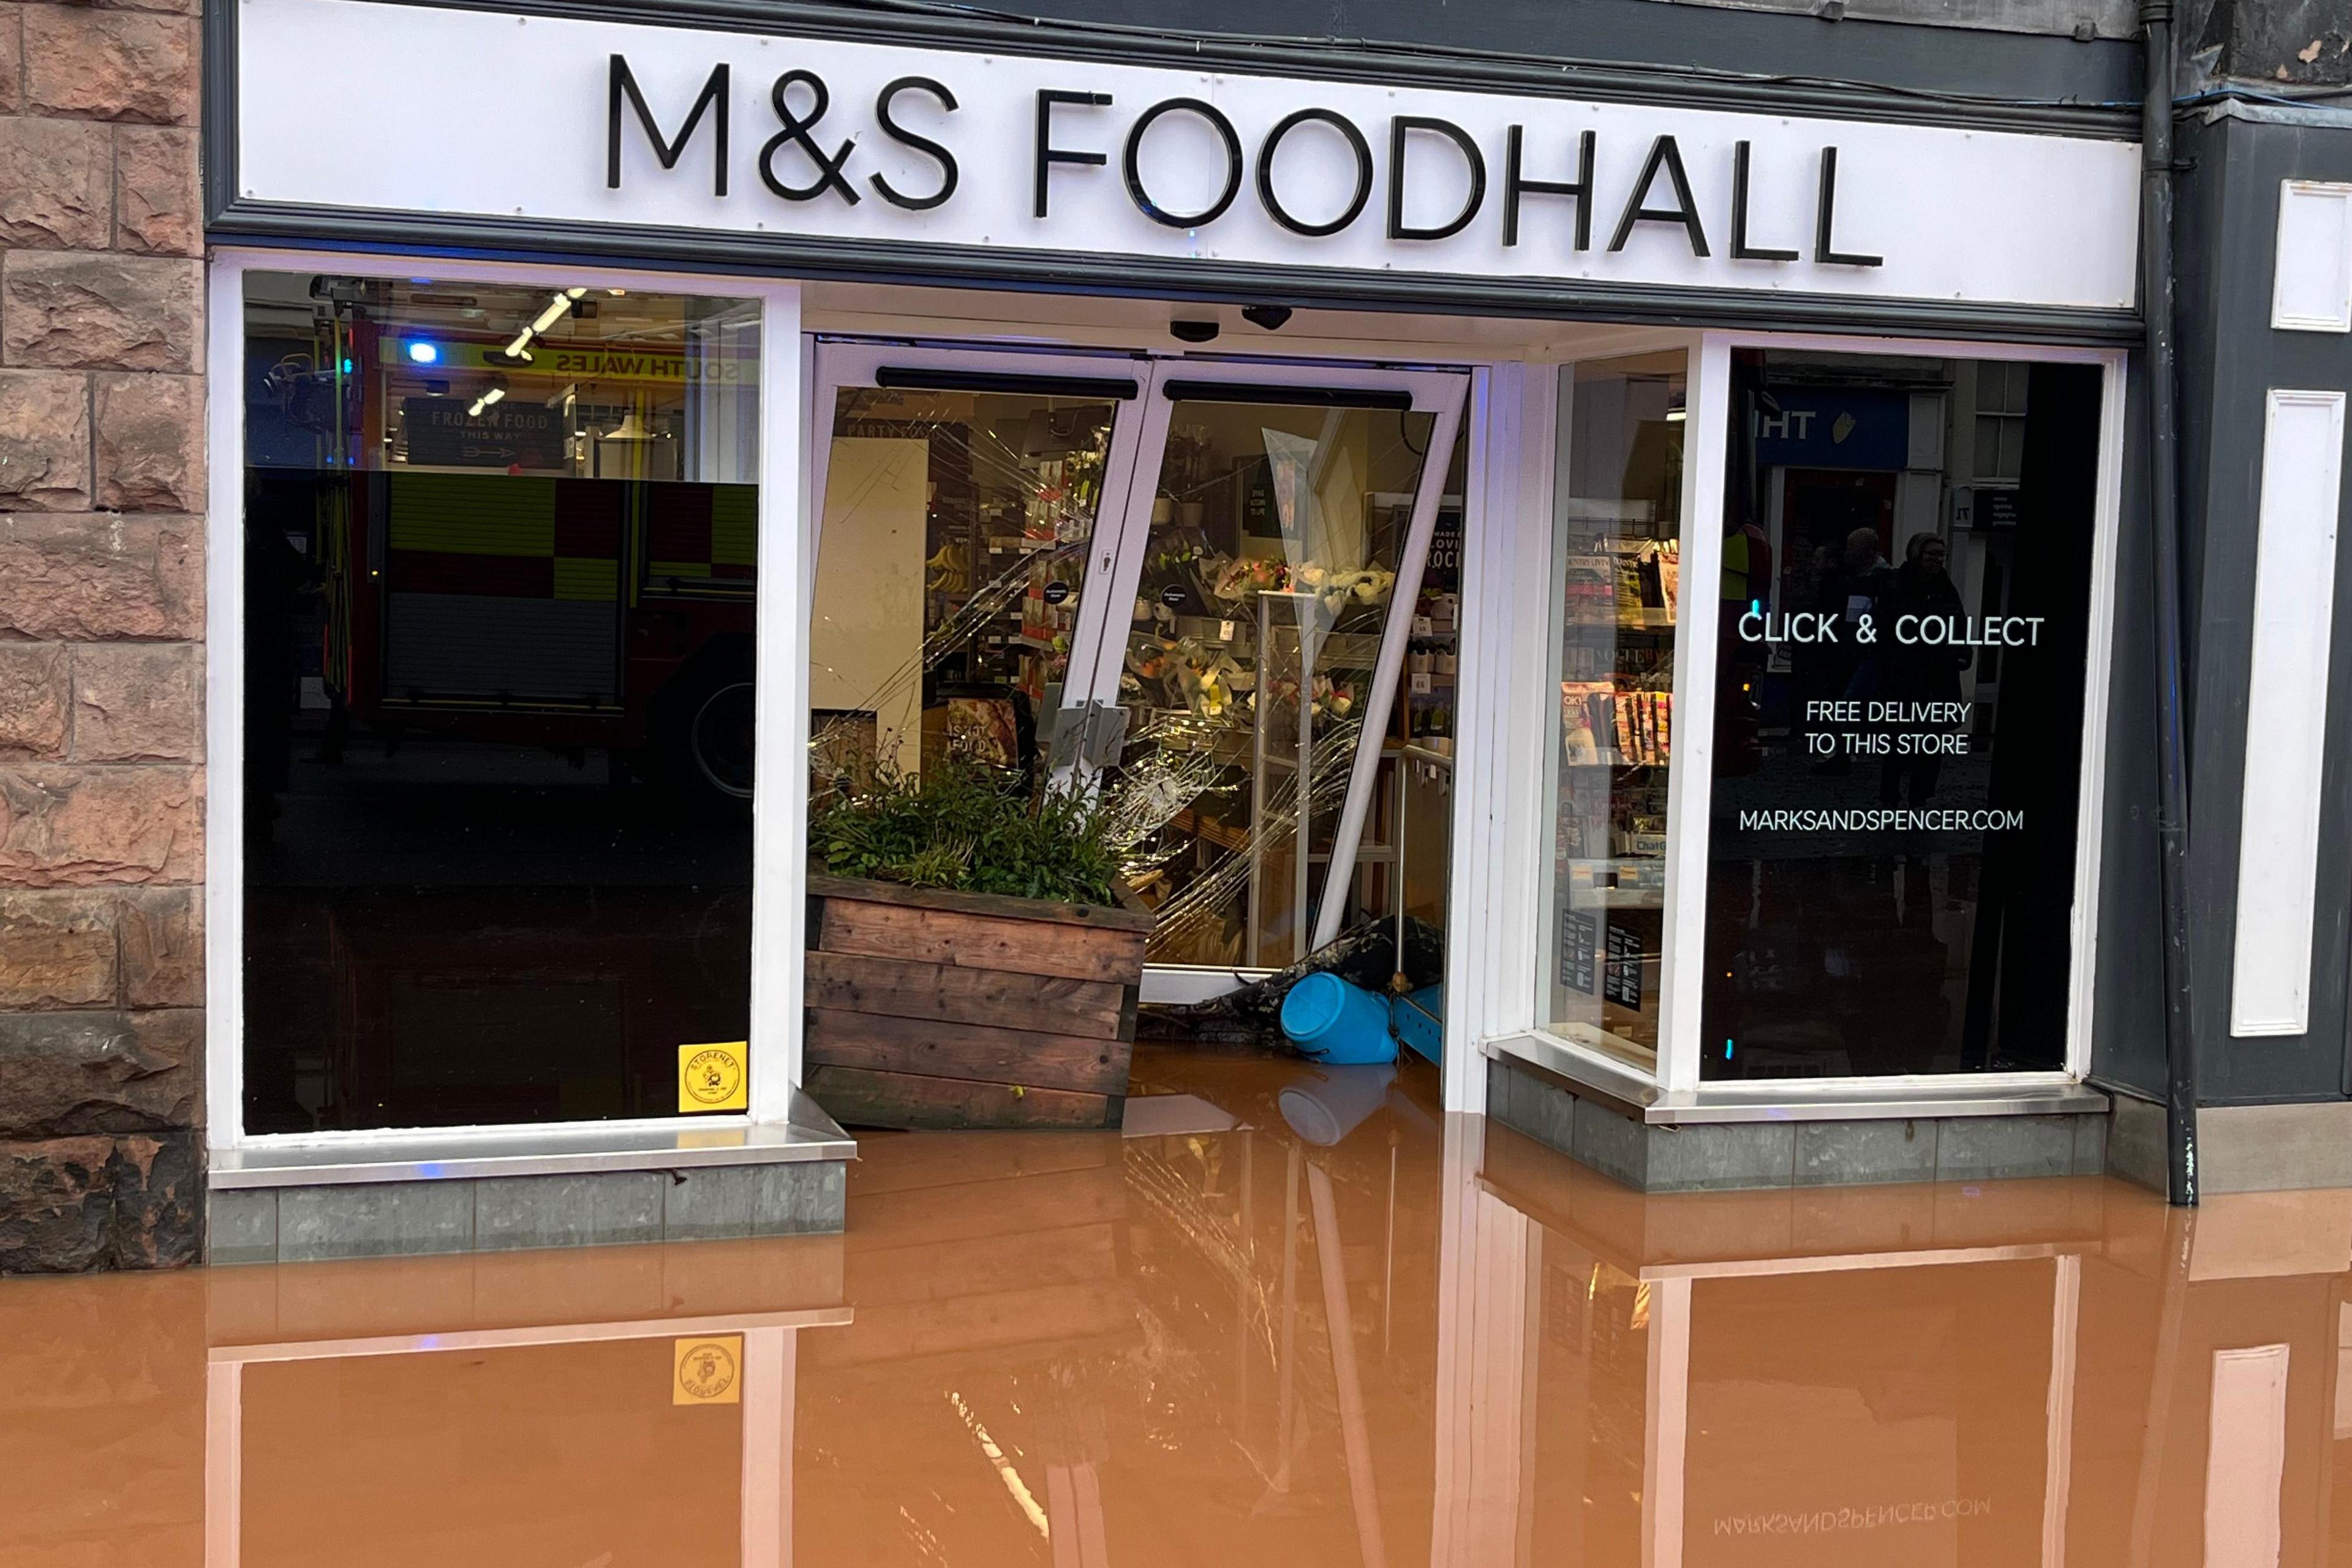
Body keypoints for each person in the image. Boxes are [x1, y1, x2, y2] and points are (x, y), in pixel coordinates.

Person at [1875, 532, 1969, 807]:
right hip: (1904, 678)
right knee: (1898, 740)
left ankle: (1922, 797)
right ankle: (1890, 796)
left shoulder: (1946, 588)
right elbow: (1884, 630)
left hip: (1938, 678)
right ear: (1917, 555)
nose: (1938, 560)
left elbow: (1958, 624)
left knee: (1931, 742)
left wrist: (1961, 654)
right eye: (1932, 554)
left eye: (1941, 555)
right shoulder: (1896, 587)